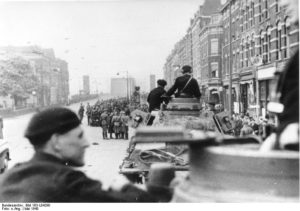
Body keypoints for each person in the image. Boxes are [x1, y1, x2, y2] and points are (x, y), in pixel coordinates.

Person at [0, 107, 156, 202]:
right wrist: (122, 185)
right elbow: (145, 204)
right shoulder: (68, 182)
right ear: (56, 141)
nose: (86, 143)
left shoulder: (12, 175)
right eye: (80, 136)